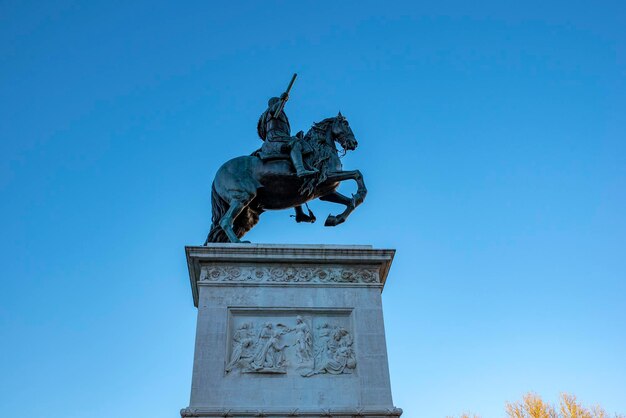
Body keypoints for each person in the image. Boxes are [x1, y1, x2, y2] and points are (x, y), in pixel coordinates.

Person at [257, 93, 318, 177]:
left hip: (281, 137)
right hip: (275, 137)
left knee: (301, 142)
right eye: (278, 102)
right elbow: (274, 108)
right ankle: (300, 170)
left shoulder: (280, 114)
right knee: (295, 144)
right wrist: (282, 100)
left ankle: (309, 166)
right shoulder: (270, 111)